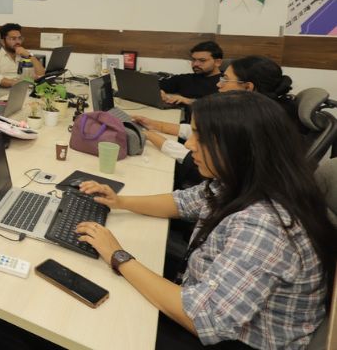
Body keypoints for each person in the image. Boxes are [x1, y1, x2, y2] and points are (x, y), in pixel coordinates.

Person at [75, 92, 336, 349]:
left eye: (201, 137)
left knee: (94, 323)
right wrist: (120, 202)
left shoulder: (265, 224)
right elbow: (182, 202)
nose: (190, 145)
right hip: (206, 297)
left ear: (240, 146)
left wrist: (118, 255)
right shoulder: (245, 180)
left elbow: (204, 318)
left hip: (233, 339)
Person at [133, 55, 299, 164]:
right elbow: (206, 133)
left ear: (248, 87)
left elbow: (200, 159)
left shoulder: (254, 122)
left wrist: (148, 135)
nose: (219, 84)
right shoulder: (261, 110)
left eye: (225, 79)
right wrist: (155, 125)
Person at [0, 23, 46, 88]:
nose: (18, 42)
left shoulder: (23, 56)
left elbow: (41, 75)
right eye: (13, 39)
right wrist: (23, 84)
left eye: (19, 38)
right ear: (3, 42)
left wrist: (30, 55)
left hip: (25, 91)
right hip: (3, 93)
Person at [159, 41, 224, 105]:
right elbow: (156, 85)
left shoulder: (225, 82)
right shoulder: (185, 79)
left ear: (217, 62)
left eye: (202, 60)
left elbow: (221, 105)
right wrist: (159, 92)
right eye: (193, 60)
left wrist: (189, 101)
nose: (195, 64)